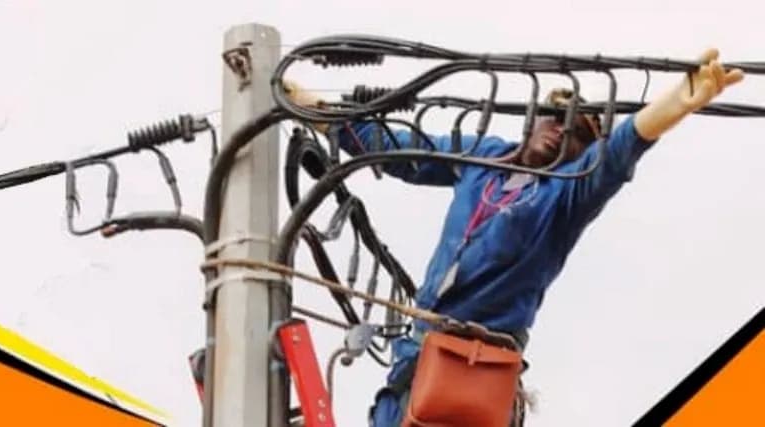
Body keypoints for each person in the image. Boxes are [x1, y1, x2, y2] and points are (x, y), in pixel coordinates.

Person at [284, 48, 744, 426]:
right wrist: (312, 108)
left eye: (580, 132)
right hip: (415, 363)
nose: (563, 128)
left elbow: (623, 147)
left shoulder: (563, 196)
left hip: (472, 373)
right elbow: (401, 151)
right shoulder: (484, 157)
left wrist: (678, 103)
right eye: (555, 115)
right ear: (532, 118)